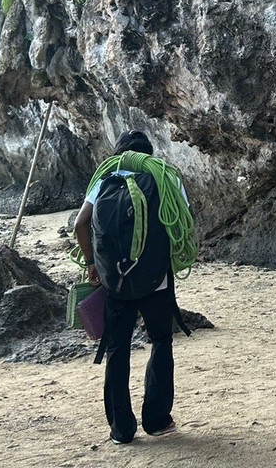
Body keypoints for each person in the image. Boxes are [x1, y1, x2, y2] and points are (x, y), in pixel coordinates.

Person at [73, 129, 189, 444]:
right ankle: (157, 420)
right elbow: (181, 222)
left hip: (115, 282)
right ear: (148, 153)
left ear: (119, 151)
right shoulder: (165, 178)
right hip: (156, 279)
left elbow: (79, 224)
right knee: (161, 341)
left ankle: (121, 430)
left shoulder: (103, 180)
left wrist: (92, 263)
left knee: (117, 348)